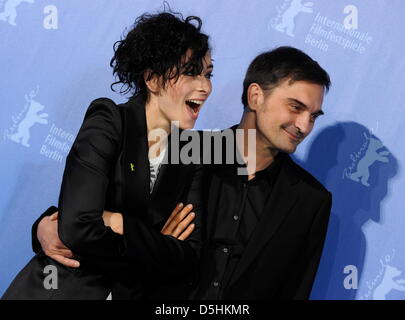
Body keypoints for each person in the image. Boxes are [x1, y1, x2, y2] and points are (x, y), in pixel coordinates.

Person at [2, 11, 213, 300]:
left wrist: (118, 222)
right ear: (152, 78)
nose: (205, 86)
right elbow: (77, 228)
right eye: (191, 71)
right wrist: (154, 247)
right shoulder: (110, 120)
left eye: (208, 73)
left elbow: (187, 259)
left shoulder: (192, 154)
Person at [191, 46, 332, 299]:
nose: (304, 126)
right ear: (256, 96)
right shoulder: (187, 154)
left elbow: (295, 291)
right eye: (295, 107)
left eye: (313, 116)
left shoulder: (311, 201)